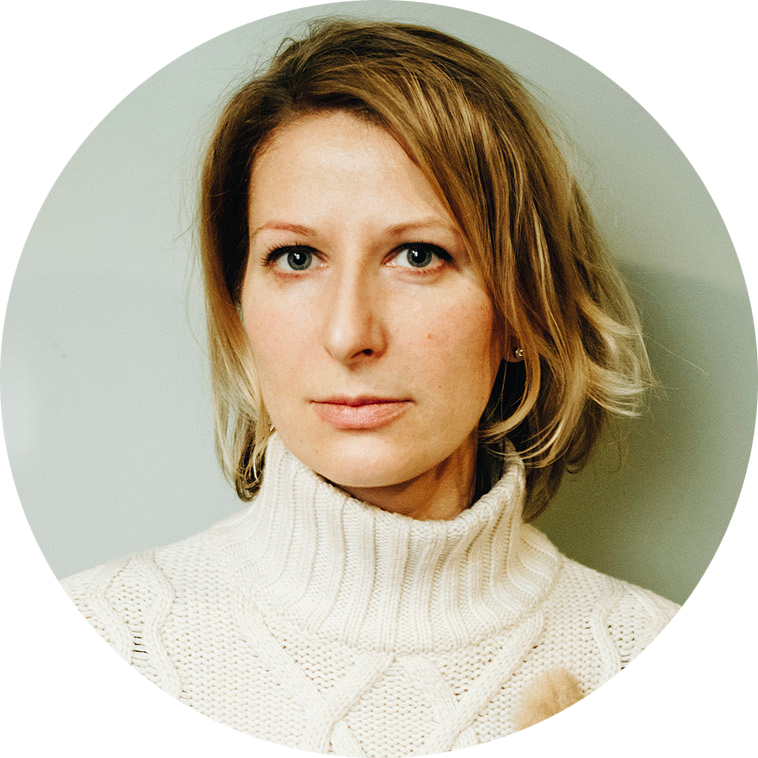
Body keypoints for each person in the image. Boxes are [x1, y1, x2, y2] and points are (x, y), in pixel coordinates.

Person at [61, 18, 680, 756]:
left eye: (418, 255)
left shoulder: (659, 664)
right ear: (240, 305)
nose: (348, 333)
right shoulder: (92, 642)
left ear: (521, 308)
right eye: (296, 258)